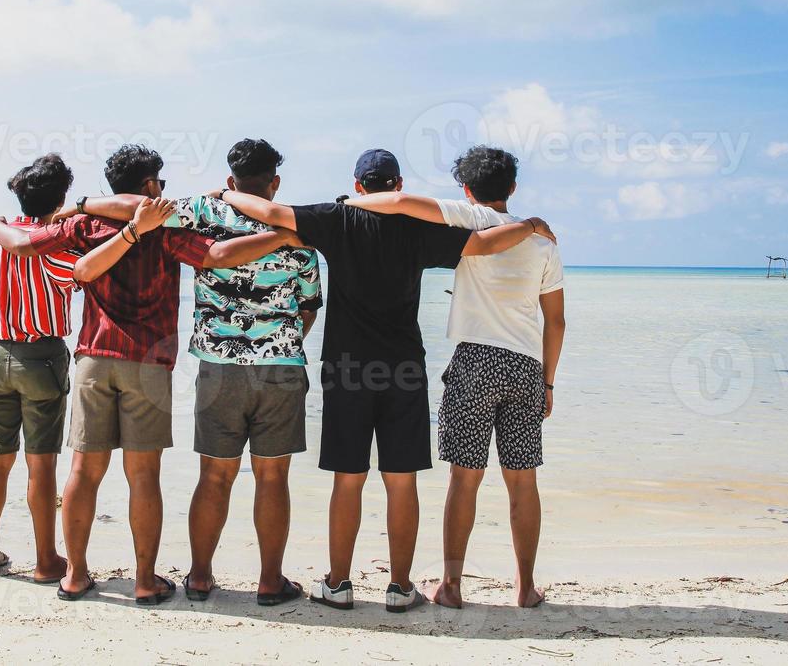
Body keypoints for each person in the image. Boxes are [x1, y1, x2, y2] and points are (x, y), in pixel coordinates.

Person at [219, 149, 555, 613]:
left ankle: (338, 583)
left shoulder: (337, 218)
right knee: (402, 481)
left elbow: (272, 213)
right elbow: (485, 244)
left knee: (348, 479)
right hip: (403, 368)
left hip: (346, 368)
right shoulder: (418, 226)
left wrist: (224, 195)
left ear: (359, 186)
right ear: (398, 186)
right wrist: (531, 226)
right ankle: (400, 588)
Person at [0, 144, 293, 606]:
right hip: (148, 364)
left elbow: (26, 246)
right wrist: (286, 236)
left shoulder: (84, 224)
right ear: (150, 186)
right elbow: (219, 256)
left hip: (93, 358)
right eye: (160, 184)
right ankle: (145, 581)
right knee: (143, 475)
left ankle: (75, 577)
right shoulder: (165, 226)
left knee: (84, 472)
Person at [61, 138, 320, 606]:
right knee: (272, 479)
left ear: (230, 180)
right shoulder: (297, 231)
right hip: (280, 367)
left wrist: (77, 205)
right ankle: (268, 582)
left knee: (213, 477)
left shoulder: (203, 212)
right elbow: (307, 311)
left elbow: (138, 208)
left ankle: (199, 578)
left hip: (218, 368)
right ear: (274, 182)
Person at [345, 146, 565, 609]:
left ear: (466, 188)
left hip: (474, 364)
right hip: (525, 367)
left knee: (464, 480)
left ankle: (451, 586)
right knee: (523, 482)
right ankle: (525, 588)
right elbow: (556, 322)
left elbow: (401, 203)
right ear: (513, 188)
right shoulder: (543, 242)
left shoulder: (467, 218)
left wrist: (349, 202)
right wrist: (547, 382)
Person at [0, 153, 79, 582]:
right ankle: (46, 560)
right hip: (42, 356)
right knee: (41, 463)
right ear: (61, 196)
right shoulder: (56, 240)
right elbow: (80, 279)